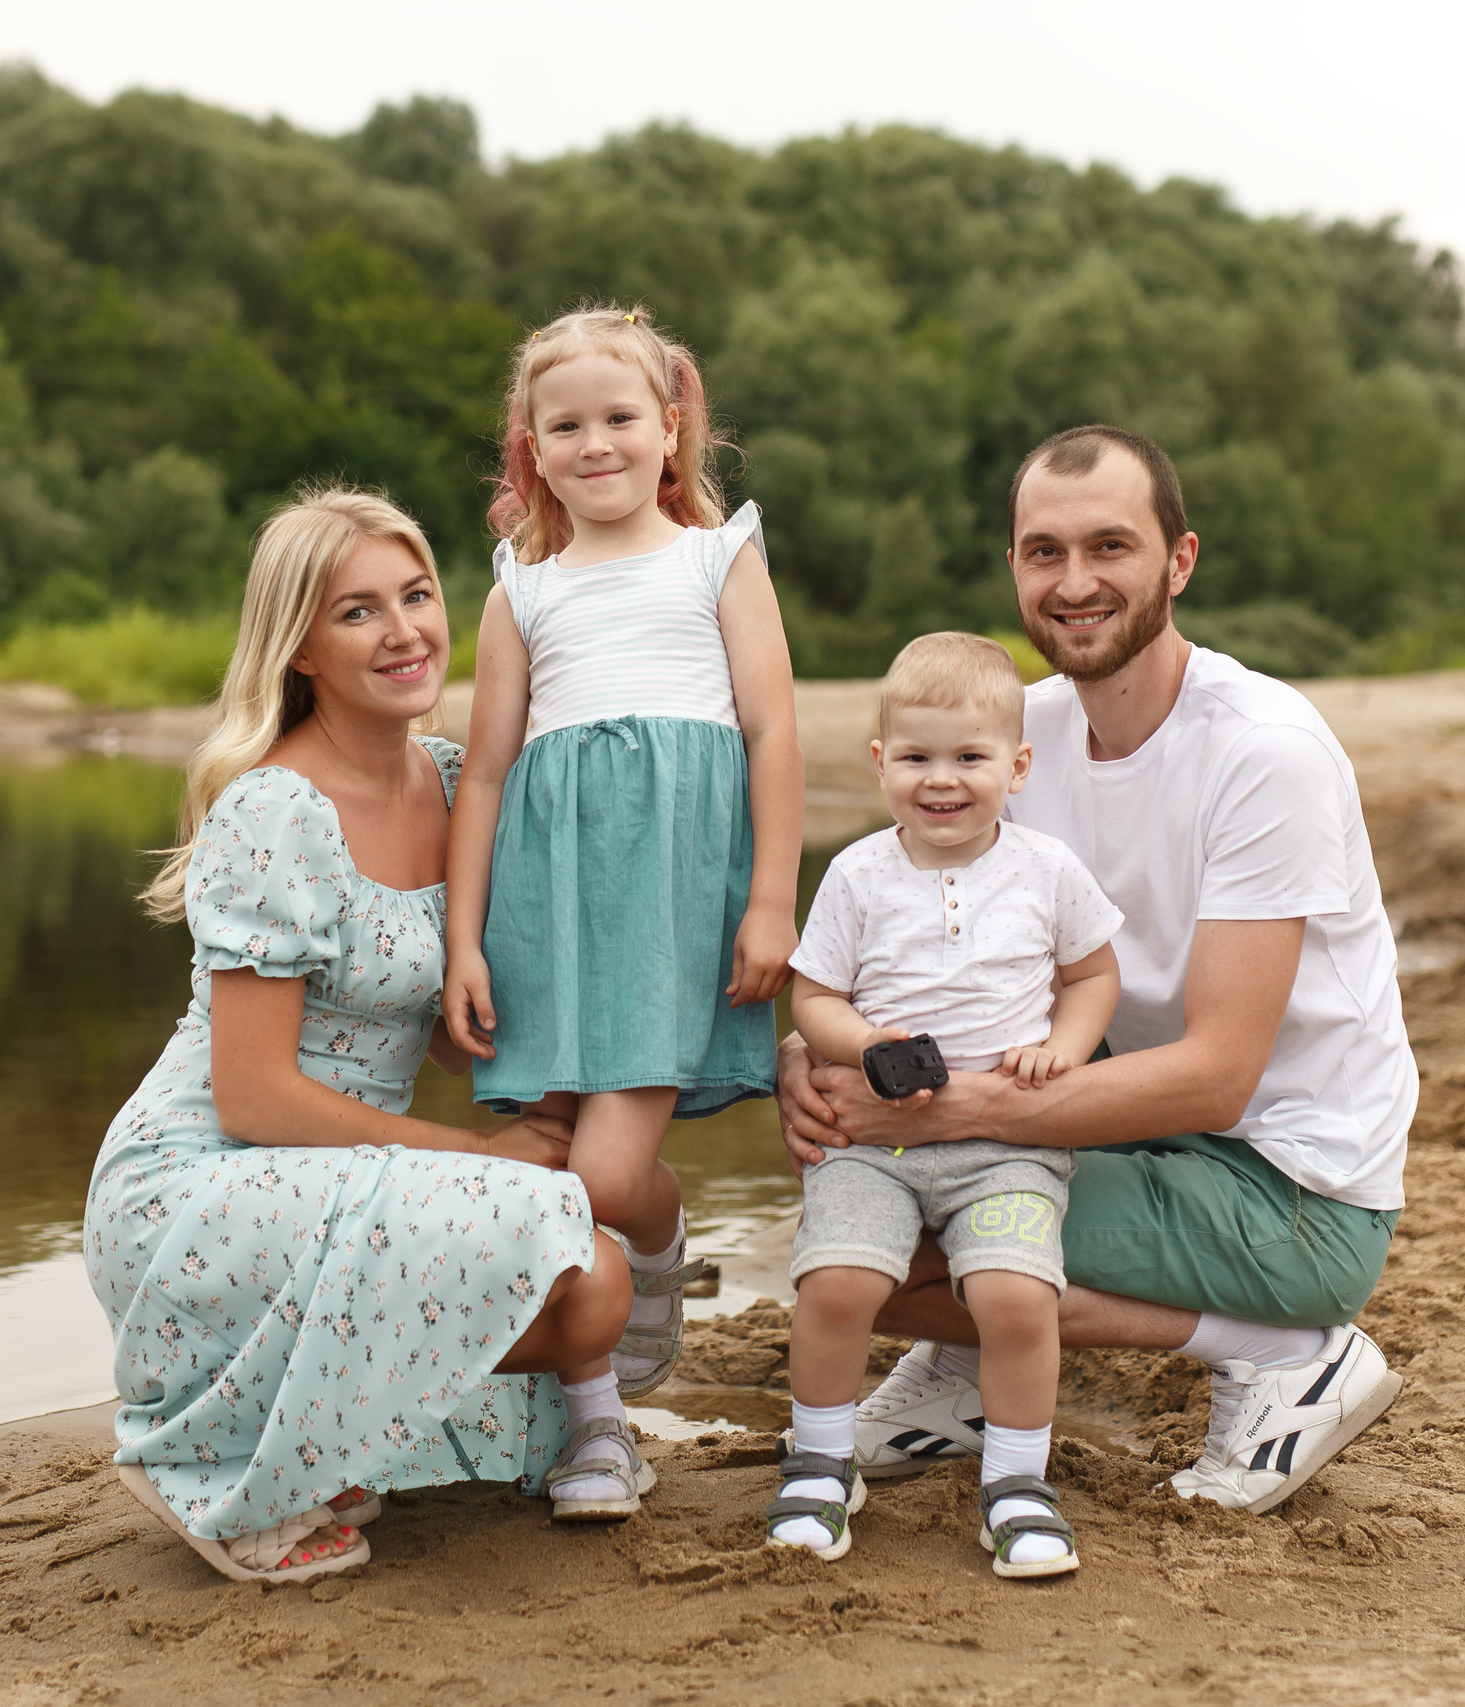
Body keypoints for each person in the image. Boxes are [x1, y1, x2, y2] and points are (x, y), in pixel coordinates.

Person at [777, 424, 1413, 1517]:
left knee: (927, 1227)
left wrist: (938, 1114)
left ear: (1179, 561)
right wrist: (816, 1050)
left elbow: (1217, 1076)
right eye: (1042, 551)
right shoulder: (1016, 738)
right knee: (849, 1200)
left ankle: (1282, 1350)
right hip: (1129, 1128)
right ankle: (974, 1373)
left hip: (1292, 1186)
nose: (1074, 583)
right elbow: (940, 947)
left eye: (1109, 547)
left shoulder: (1264, 750)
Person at [85, 488, 630, 1585]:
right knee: (589, 1276)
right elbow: (255, 1100)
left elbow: (446, 1033)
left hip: (337, 1171)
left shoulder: (445, 781)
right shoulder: (273, 809)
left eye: (417, 595)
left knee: (588, 1244)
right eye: (357, 612)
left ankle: (292, 1438)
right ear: (299, 648)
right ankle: (214, 1451)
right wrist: (480, 1158)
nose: (404, 632)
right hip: (204, 1182)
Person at [444, 307, 803, 1519]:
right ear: (529, 449)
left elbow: (771, 731)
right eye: (565, 425)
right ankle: (596, 1428)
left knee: (594, 1179)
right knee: (543, 1163)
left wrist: (769, 901)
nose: (593, 442)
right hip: (549, 914)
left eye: (618, 418)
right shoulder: (520, 591)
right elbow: (486, 772)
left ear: (668, 431)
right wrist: (464, 940)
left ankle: (654, 1245)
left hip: (668, 909)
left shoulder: (715, 558)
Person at [768, 633, 1120, 1578]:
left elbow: (1092, 973)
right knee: (836, 1284)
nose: (943, 781)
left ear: (1017, 765)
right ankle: (821, 1461)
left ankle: (1016, 1482)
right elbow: (813, 997)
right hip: (873, 1142)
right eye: (917, 758)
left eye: (970, 758)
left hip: (1005, 1145)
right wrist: (860, 1043)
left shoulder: (1045, 870)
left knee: (1014, 1295)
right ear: (882, 762)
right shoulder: (856, 874)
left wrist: (1065, 1047)